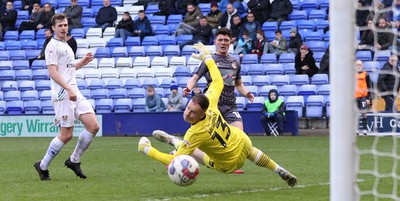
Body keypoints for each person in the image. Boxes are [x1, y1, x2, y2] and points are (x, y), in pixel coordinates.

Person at [138, 42, 297, 187]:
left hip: (228, 164)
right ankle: (279, 170)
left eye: (192, 112)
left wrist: (147, 150)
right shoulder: (210, 101)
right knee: (247, 149)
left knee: (191, 149)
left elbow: (173, 160)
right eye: (188, 108)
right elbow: (218, 81)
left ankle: (174, 141)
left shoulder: (194, 133)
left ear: (201, 115)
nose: (187, 113)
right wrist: (207, 58)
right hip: (241, 140)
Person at [34, 14, 99, 181]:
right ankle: (42, 166)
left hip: (73, 91)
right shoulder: (51, 46)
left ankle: (73, 160)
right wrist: (68, 89)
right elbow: (53, 72)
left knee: (93, 126)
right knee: (66, 135)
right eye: (60, 25)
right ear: (53, 28)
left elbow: (68, 69)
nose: (64, 28)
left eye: (65, 25)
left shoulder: (67, 45)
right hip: (63, 94)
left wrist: (81, 62)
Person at [184, 28, 254, 131]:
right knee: (204, 140)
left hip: (230, 106)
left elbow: (238, 84)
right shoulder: (209, 60)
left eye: (226, 40)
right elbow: (195, 78)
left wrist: (247, 93)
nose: (223, 43)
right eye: (220, 40)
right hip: (211, 105)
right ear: (215, 42)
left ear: (230, 42)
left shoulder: (235, 62)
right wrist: (188, 88)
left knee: (239, 136)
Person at [355, 60, 372, 136]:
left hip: (363, 97)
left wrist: (369, 98)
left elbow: (369, 87)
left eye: (359, 65)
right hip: (354, 97)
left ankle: (364, 130)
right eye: (357, 65)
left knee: (364, 113)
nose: (358, 66)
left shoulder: (366, 74)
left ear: (362, 66)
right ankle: (356, 130)